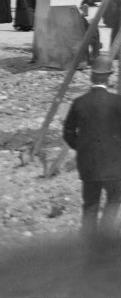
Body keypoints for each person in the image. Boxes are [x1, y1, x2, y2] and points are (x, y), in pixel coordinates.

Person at [63, 55, 121, 243]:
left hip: (88, 163)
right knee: (113, 201)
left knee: (90, 205)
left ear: (91, 76)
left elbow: (68, 132)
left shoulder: (79, 103)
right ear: (109, 76)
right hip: (113, 164)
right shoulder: (117, 102)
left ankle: (88, 244)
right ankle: (104, 238)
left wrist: (81, 147)